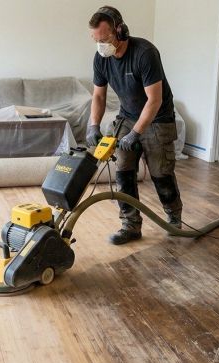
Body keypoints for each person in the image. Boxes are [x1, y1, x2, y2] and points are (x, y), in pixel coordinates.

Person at [86, 5, 183, 245]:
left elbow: (155, 99)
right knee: (123, 173)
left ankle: (174, 219)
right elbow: (98, 96)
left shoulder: (145, 53)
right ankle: (130, 225)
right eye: (96, 40)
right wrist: (93, 125)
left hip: (158, 118)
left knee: (161, 174)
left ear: (120, 31)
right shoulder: (102, 58)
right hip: (127, 117)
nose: (101, 45)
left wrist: (137, 133)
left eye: (105, 38)